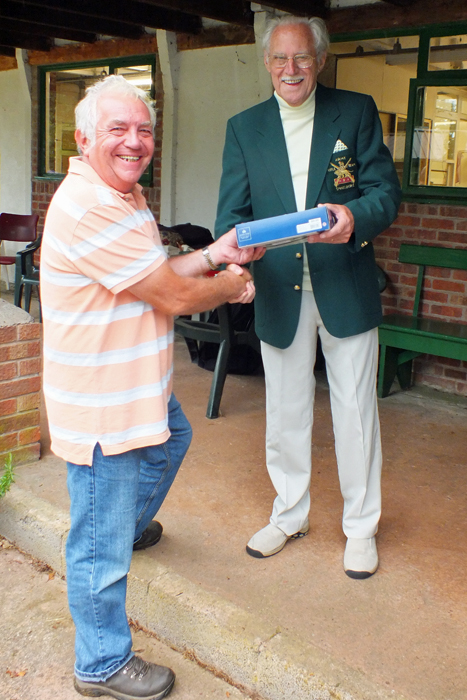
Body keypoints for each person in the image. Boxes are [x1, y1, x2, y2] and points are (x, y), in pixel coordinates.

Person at [41, 75, 264, 700]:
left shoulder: (123, 196)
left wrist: (215, 251)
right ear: (84, 138)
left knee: (174, 438)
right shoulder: (89, 205)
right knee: (97, 544)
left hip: (136, 387)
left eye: (144, 130)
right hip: (104, 402)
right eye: (118, 129)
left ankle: (120, 525)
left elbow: (156, 273)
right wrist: (230, 283)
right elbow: (173, 294)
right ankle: (102, 663)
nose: (134, 142)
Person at [215, 15, 401, 579]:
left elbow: (385, 195)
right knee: (286, 412)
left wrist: (353, 218)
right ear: (267, 63)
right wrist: (238, 257)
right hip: (279, 289)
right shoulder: (245, 128)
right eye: (279, 59)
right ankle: (289, 513)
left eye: (301, 58)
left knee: (355, 413)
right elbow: (231, 215)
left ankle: (361, 528)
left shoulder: (356, 110)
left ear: (320, 60)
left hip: (344, 282)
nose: (290, 70)